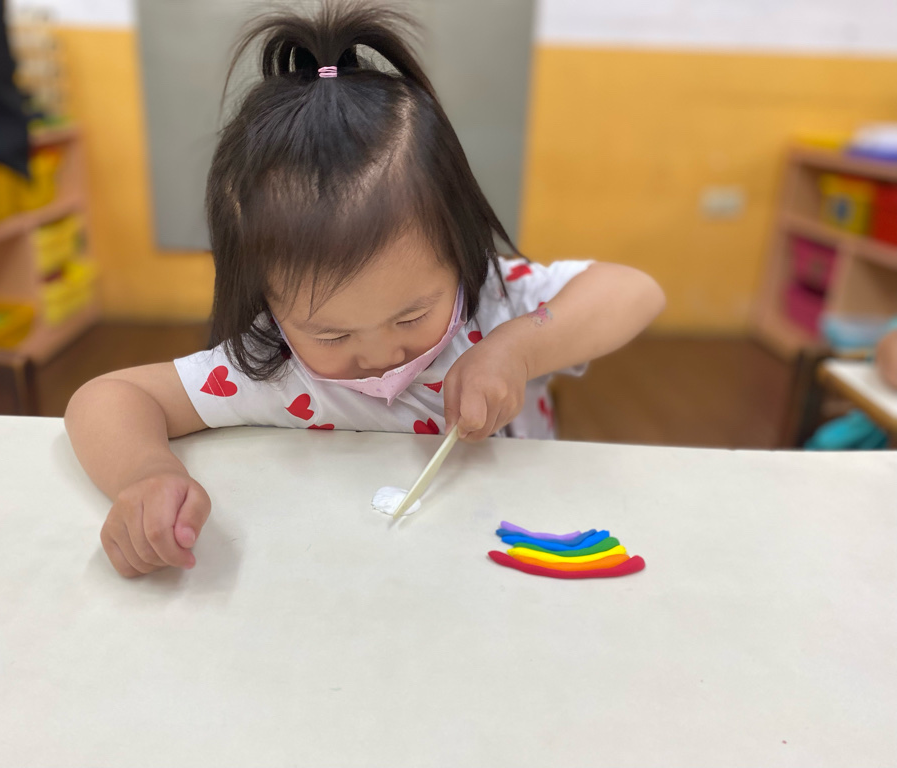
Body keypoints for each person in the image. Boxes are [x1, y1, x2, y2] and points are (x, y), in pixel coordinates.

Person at [65, 2, 665, 578]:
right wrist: (145, 474)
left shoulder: (494, 302)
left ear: (460, 251)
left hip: (523, 541)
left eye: (412, 316)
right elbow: (110, 397)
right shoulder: (271, 370)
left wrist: (519, 348)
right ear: (266, 301)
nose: (381, 354)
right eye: (331, 335)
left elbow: (634, 290)